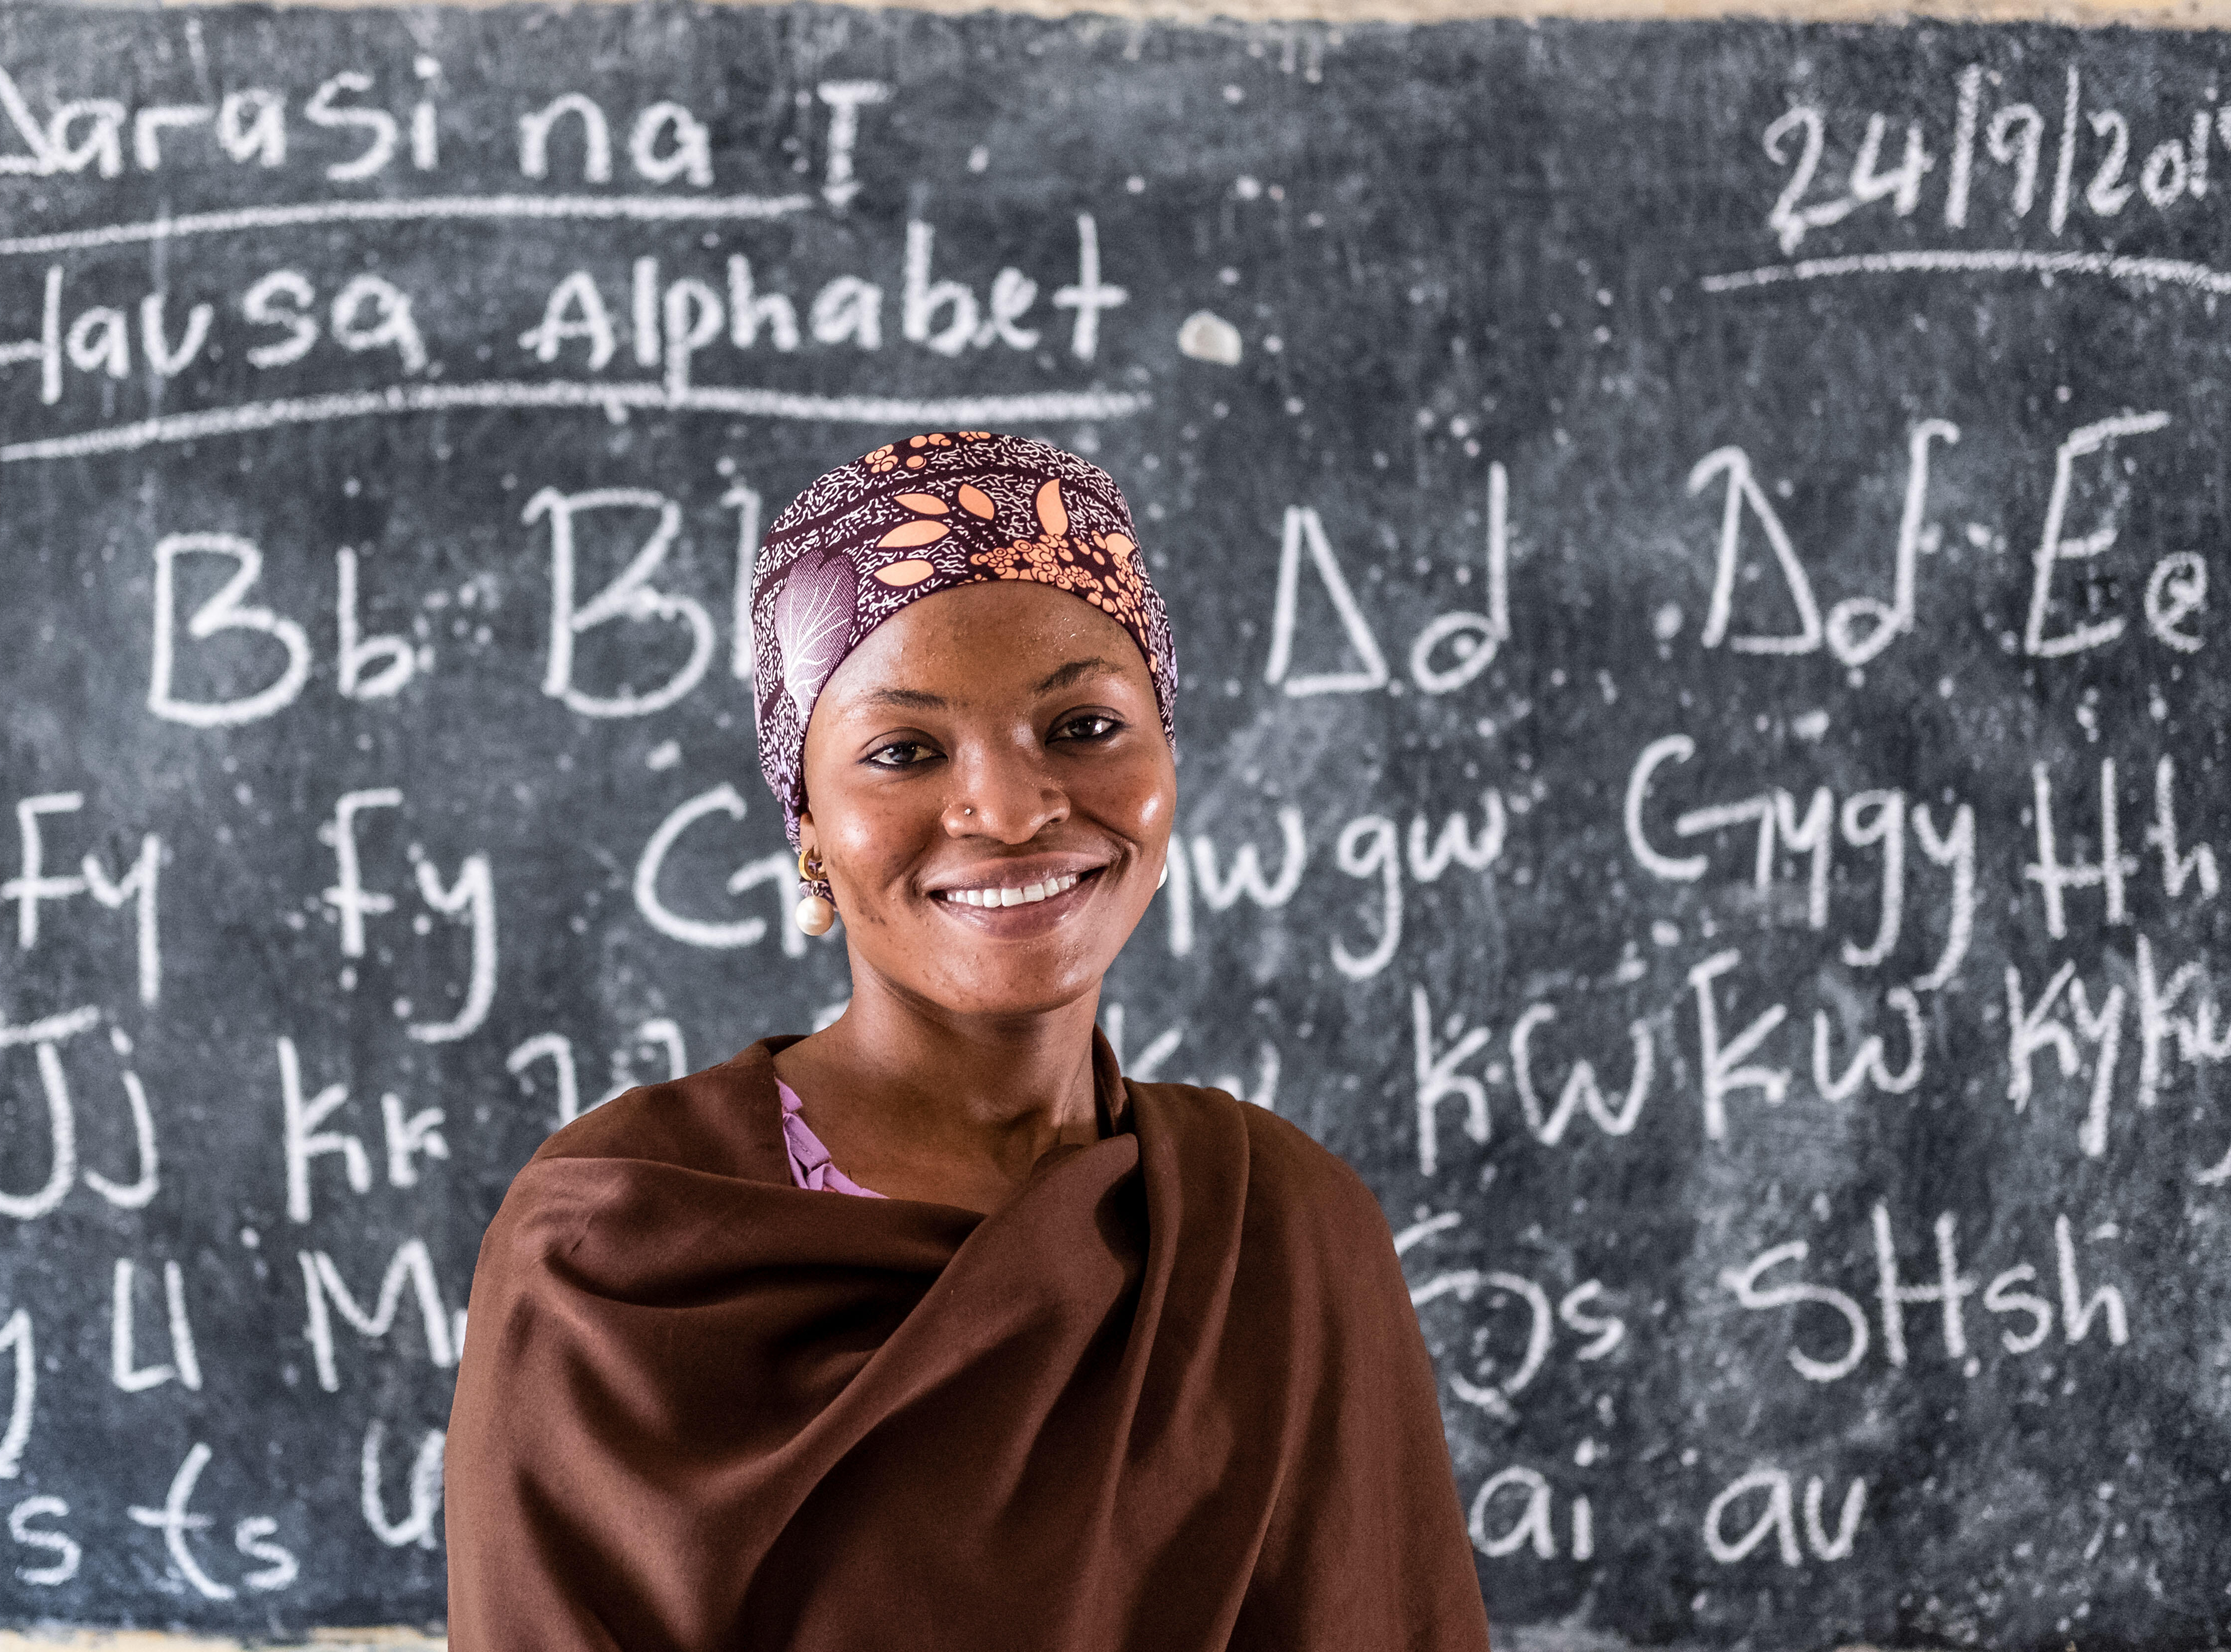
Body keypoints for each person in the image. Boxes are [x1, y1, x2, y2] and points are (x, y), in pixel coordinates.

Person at [442, 432, 1488, 1650]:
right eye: (904, 751)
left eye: (1084, 725)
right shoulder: (613, 1247)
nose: (1011, 805)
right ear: (810, 823)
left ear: (1168, 758)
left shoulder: (1283, 1232)